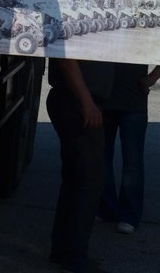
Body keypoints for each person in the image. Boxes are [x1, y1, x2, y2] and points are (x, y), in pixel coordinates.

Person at [99, 45, 160, 234]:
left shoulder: (143, 23)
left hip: (132, 103)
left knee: (132, 163)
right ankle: (106, 208)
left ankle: (129, 215)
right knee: (101, 158)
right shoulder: (106, 18)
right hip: (103, 101)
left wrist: (152, 78)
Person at [48, 57, 114, 273]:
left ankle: (62, 250)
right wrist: (87, 103)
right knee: (90, 181)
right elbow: (67, 58)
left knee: (75, 180)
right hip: (77, 102)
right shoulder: (76, 23)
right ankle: (75, 258)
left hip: (78, 101)